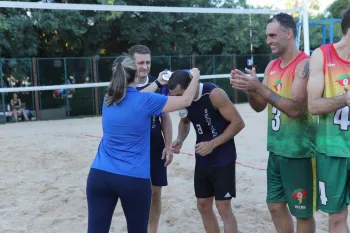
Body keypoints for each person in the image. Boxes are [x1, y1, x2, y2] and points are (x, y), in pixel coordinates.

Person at [85, 55, 201, 233]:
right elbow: (185, 100)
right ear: (135, 75)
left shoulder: (108, 98)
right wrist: (195, 74)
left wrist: (158, 83)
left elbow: (136, 96)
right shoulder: (147, 101)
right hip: (133, 178)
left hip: (100, 175)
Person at [230, 13, 318, 233]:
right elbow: (259, 106)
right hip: (276, 150)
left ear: (288, 34)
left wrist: (259, 88)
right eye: (266, 35)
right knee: (275, 206)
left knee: (302, 212)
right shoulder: (272, 67)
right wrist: (251, 89)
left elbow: (295, 109)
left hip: (300, 151)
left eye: (272, 35)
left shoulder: (304, 64)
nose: (268, 40)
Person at [168, 70, 245, 233]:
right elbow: (185, 121)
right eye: (175, 95)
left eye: (180, 93)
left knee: (223, 206)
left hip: (224, 157)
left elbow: (238, 123)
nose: (178, 98)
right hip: (203, 158)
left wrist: (212, 144)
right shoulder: (185, 101)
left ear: (191, 84)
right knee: (203, 205)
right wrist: (180, 140)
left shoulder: (214, 94)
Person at [307, 7, 350, 233]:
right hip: (332, 151)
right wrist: (345, 99)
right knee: (336, 218)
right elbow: (313, 105)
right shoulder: (322, 55)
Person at [128, 45, 173, 233]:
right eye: (140, 63)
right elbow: (136, 102)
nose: (144, 66)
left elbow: (166, 117)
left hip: (155, 146)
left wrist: (168, 145)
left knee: (156, 193)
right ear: (131, 64)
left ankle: (152, 230)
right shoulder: (124, 86)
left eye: (147, 62)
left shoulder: (160, 86)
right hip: (132, 148)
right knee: (134, 194)